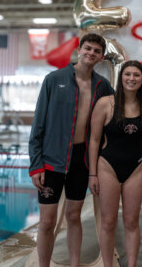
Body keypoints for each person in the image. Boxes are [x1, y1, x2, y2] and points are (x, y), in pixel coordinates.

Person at [29, 33, 114, 267]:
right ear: (79, 49)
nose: (91, 53)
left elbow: (113, 120)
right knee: (47, 222)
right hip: (51, 160)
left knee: (74, 216)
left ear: (102, 57)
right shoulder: (54, 79)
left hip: (81, 161)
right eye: (88, 48)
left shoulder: (102, 85)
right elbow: (38, 124)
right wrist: (36, 164)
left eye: (96, 51)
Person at [88, 61, 142, 267]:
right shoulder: (105, 103)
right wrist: (92, 174)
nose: (132, 78)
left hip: (136, 168)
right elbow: (94, 140)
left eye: (136, 75)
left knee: (132, 222)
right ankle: (108, 264)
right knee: (108, 221)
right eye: (128, 74)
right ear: (121, 77)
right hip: (108, 167)